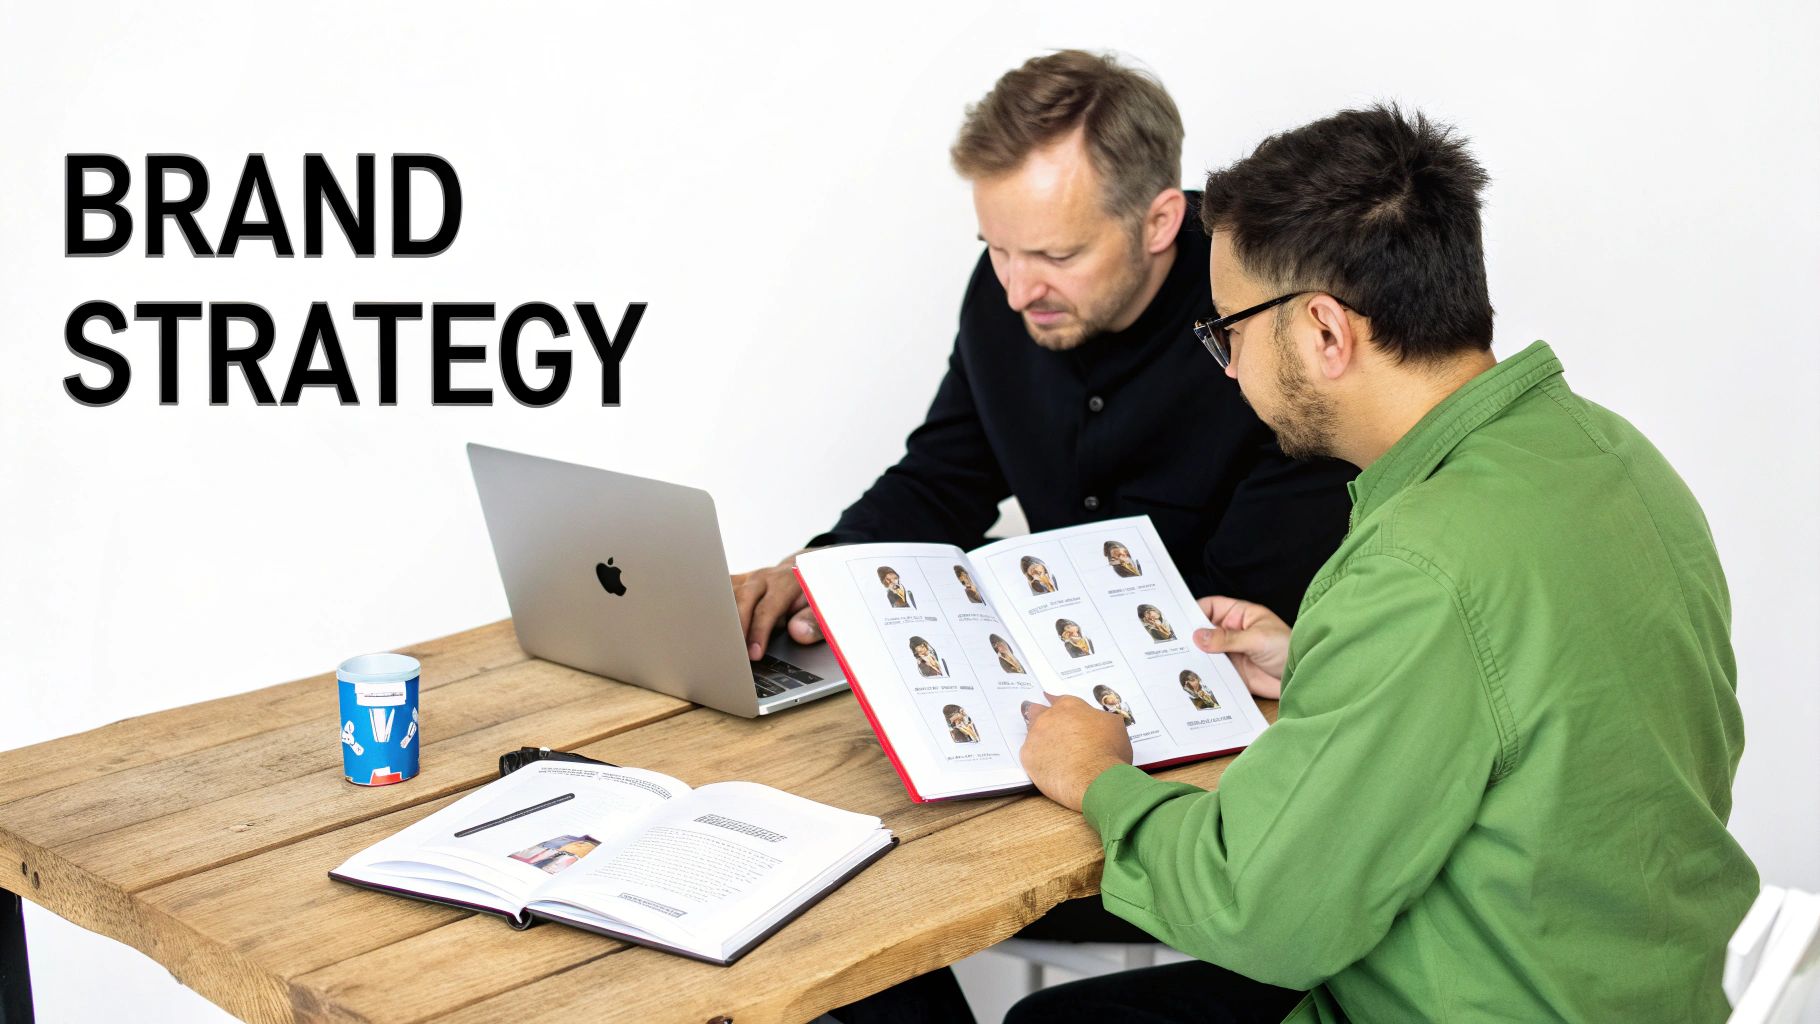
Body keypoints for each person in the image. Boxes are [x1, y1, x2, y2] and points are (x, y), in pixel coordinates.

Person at [1014, 104, 1759, 1024]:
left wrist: (1096, 774)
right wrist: (1325, 660)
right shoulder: (1611, 454)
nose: (1231, 368)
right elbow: (1541, 685)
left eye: (1229, 333)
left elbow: (1257, 908)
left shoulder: (1416, 564)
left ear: (1326, 331)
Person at [731, 49, 1354, 664]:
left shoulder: (1267, 320)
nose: (1016, 291)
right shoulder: (1010, 288)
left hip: (1246, 690)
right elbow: (945, 477)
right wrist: (821, 569)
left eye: (1057, 257)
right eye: (998, 248)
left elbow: (1245, 600)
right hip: (1061, 669)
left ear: (1160, 221)